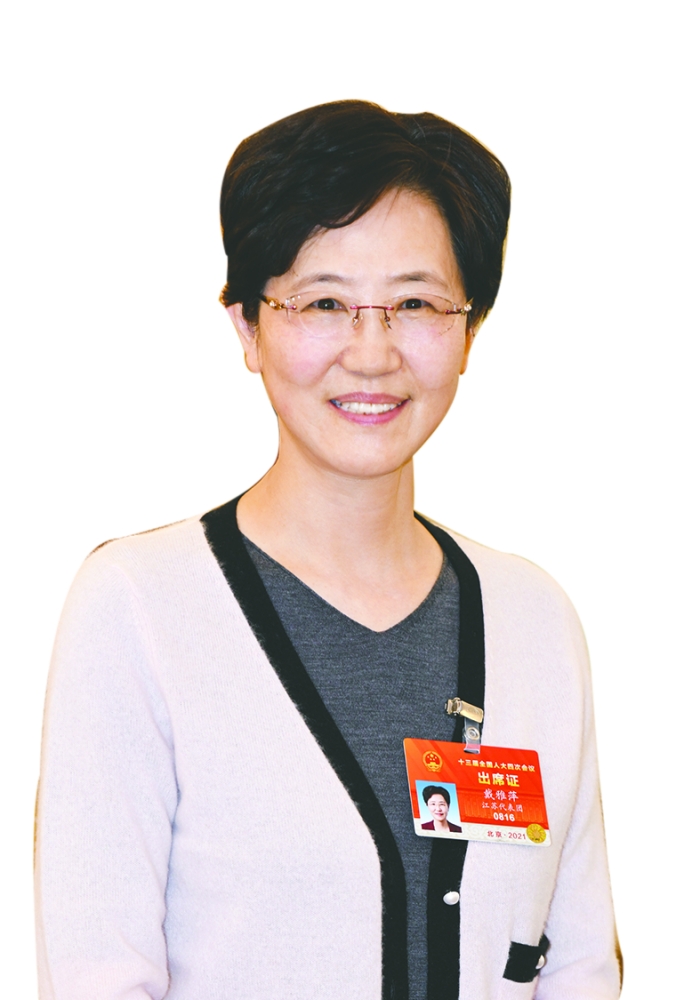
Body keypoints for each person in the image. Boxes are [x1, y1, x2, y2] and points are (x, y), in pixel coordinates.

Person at [34, 100, 621, 1000]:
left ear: (469, 330)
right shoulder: (141, 609)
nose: (371, 352)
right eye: (324, 304)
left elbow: (579, 967)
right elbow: (98, 977)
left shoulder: (533, 619)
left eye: (416, 303)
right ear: (247, 327)